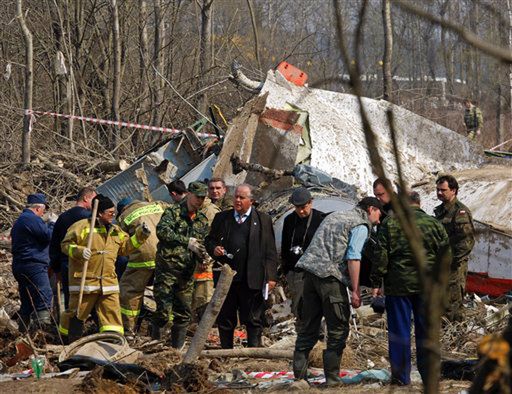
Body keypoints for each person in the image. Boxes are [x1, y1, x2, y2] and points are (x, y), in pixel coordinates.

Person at [292, 197, 382, 386]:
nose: (379, 219)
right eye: (378, 213)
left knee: (308, 327)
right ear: (371, 209)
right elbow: (353, 257)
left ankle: (299, 378)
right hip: (330, 279)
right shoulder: (360, 224)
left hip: (309, 276)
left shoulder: (335, 216)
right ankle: (332, 379)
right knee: (338, 328)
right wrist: (356, 291)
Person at [370, 191, 451, 386]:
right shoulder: (434, 224)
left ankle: (400, 378)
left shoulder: (391, 224)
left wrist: (375, 282)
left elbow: (381, 256)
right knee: (427, 334)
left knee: (399, 334)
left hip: (399, 287)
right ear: (419, 203)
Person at [59, 194, 151, 343]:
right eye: (110, 212)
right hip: (86, 281)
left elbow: (126, 248)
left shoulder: (116, 230)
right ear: (100, 213)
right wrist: (79, 251)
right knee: (76, 313)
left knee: (112, 315)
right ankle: (66, 340)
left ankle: (112, 341)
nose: (113, 215)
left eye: (114, 212)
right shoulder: (81, 227)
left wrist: (141, 235)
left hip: (108, 282)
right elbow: (65, 245)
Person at [206, 184, 278, 349]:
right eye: (236, 197)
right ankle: (226, 352)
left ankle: (253, 352)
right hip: (227, 279)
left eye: (242, 198)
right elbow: (209, 240)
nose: (237, 200)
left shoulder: (262, 220)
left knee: (253, 318)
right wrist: (214, 249)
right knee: (225, 317)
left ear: (251, 201)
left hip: (251, 278)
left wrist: (271, 276)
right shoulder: (221, 218)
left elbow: (270, 251)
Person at [152, 181, 210, 349]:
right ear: (189, 194)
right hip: (167, 269)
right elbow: (162, 232)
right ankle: (155, 344)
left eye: (203, 198)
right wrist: (186, 241)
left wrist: (202, 257)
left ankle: (176, 349)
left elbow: (201, 243)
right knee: (163, 311)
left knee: (184, 313)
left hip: (186, 272)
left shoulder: (201, 219)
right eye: (197, 197)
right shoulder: (173, 212)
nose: (200, 201)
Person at [117, 198, 168, 336]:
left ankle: (129, 331)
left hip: (142, 259)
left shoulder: (124, 216)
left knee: (129, 293)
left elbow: (122, 243)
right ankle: (167, 330)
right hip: (165, 255)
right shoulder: (157, 205)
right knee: (165, 292)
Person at [281, 187, 325, 331]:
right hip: (296, 272)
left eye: (303, 207)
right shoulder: (289, 220)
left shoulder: (320, 219)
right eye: (297, 208)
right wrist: (287, 270)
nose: (300, 211)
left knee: (316, 304)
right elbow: (285, 245)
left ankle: (317, 332)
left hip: (316, 271)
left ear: (310, 203)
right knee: (299, 305)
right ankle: (302, 331)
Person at [434, 175, 475, 322]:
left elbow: (467, 241)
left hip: (454, 268)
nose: (439, 193)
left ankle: (456, 338)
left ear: (454, 191)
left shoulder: (460, 212)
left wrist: (451, 261)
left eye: (443, 190)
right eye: (437, 190)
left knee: (453, 305)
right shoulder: (439, 211)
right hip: (441, 266)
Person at [11, 193, 55, 330]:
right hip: (33, 265)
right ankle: (42, 331)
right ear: (37, 208)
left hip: (20, 265)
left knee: (27, 300)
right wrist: (52, 224)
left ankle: (23, 331)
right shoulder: (31, 219)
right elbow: (47, 236)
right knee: (44, 295)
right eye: (43, 210)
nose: (43, 213)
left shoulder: (20, 221)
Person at [49, 187, 97, 309]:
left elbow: (55, 245)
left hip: (66, 266)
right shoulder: (90, 218)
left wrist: (56, 268)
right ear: (86, 198)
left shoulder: (62, 217)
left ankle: (71, 326)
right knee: (92, 300)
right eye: (94, 199)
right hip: (89, 265)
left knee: (71, 302)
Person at [192, 196, 220, 320]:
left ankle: (207, 324)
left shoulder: (210, 211)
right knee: (200, 295)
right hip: (198, 259)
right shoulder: (200, 210)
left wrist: (205, 258)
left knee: (204, 295)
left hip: (204, 261)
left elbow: (212, 238)